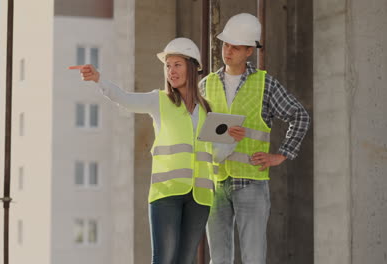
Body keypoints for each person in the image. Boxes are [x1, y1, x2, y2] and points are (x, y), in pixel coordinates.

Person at [76, 38, 216, 264]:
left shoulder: (208, 109)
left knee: (186, 260)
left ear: (192, 66)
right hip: (166, 193)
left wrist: (233, 140)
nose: (171, 71)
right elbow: (125, 99)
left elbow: (216, 150)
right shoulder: (158, 101)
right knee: (164, 259)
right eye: (168, 66)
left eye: (177, 64)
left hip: (199, 196)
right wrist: (99, 79)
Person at [201, 13, 311, 264]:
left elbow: (300, 116)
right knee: (218, 259)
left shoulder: (265, 84)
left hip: (251, 181)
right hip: (216, 181)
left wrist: (281, 155)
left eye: (235, 47)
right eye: (225, 44)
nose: (227, 51)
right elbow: (197, 130)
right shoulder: (206, 85)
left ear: (249, 51)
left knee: (253, 258)